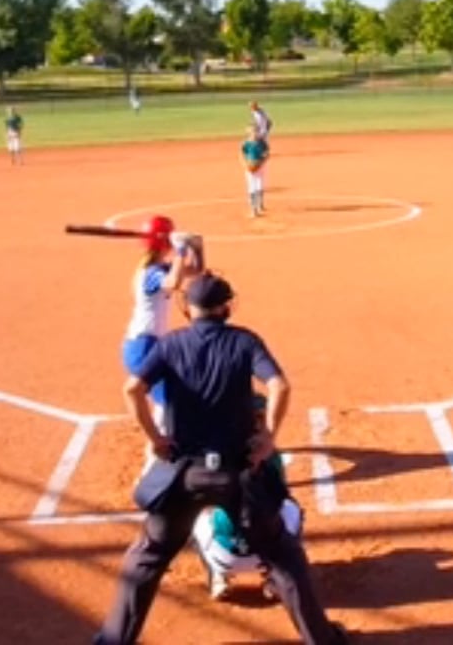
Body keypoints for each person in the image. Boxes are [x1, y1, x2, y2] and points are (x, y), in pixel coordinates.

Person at [93, 274, 348, 645]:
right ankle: (322, 641)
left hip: (184, 473)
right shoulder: (244, 341)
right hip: (237, 474)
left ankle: (113, 642)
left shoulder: (171, 344)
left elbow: (132, 388)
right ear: (226, 307)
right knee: (283, 557)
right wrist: (268, 438)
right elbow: (279, 385)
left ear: (188, 308)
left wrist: (156, 439)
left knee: (147, 557)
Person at [190, 393, 306, 601]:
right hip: (267, 555)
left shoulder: (213, 452)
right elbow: (279, 499)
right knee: (291, 508)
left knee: (194, 511)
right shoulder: (270, 454)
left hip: (225, 556)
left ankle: (217, 575)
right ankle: (275, 577)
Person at [122, 217, 204, 450]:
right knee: (167, 399)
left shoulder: (158, 269)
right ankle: (158, 448)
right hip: (143, 346)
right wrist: (181, 250)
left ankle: (161, 444)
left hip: (149, 343)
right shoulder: (151, 273)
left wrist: (197, 247)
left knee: (167, 397)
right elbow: (173, 283)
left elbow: (196, 270)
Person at [241, 124, 269, 218]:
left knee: (260, 185)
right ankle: (254, 210)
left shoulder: (262, 143)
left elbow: (267, 154)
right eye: (252, 131)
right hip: (249, 167)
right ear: (248, 133)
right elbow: (242, 154)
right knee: (251, 187)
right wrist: (245, 164)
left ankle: (260, 204)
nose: (254, 133)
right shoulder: (246, 144)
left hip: (260, 167)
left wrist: (260, 163)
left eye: (256, 131)